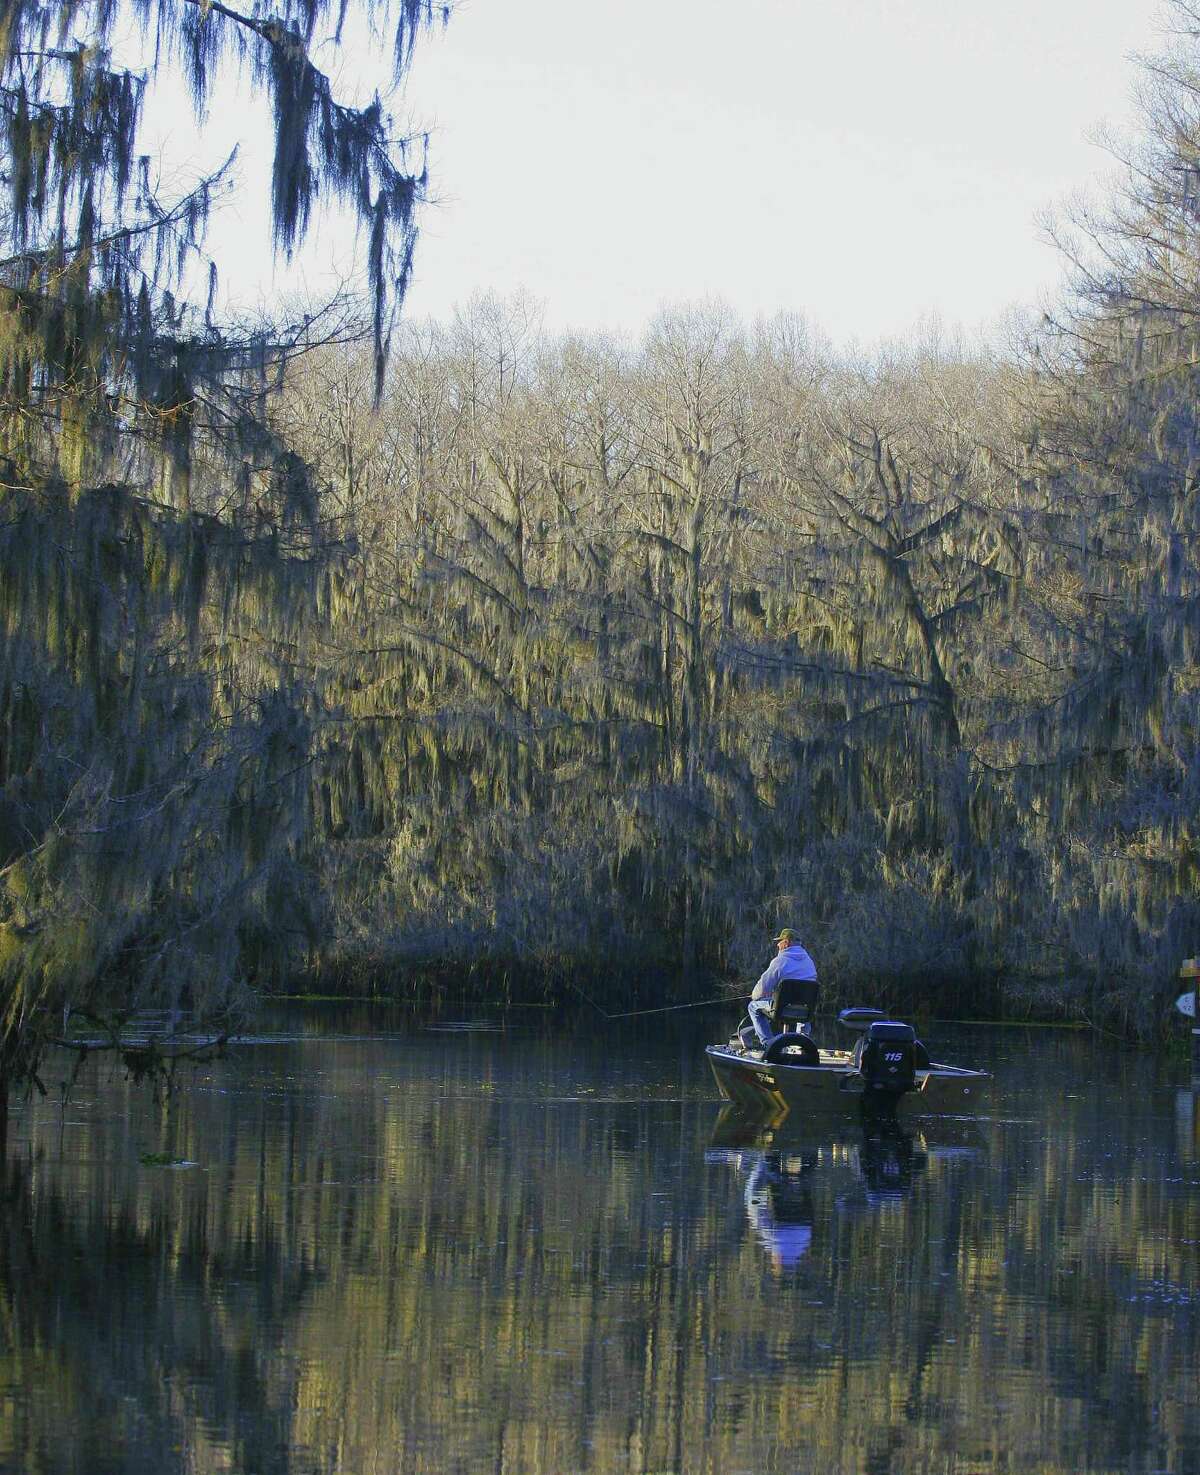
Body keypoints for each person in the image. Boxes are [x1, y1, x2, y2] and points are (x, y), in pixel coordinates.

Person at [747, 927, 817, 1048]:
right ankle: (802, 1043)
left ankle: (768, 1043)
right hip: (805, 1011)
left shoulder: (780, 961)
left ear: (786, 943)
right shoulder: (809, 961)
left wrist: (755, 995)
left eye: (779, 941)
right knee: (803, 1006)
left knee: (753, 1006)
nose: (778, 945)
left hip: (782, 1009)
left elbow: (762, 988)